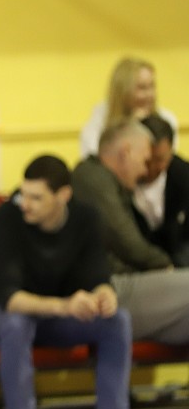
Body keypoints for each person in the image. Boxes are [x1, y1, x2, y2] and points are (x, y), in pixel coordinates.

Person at [0, 155, 160, 409]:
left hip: (52, 316)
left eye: (36, 197)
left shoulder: (86, 218)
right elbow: (11, 300)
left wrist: (105, 295)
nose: (25, 204)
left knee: (117, 321)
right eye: (23, 194)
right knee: (17, 325)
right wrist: (66, 306)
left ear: (63, 196)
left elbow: (98, 274)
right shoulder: (6, 218)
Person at [72, 120, 189, 345]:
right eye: (145, 161)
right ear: (125, 152)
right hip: (108, 289)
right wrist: (166, 266)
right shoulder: (92, 179)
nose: (146, 171)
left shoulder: (106, 182)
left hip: (120, 285)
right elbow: (126, 241)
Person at [78, 57, 179, 159]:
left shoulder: (167, 119)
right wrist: (130, 125)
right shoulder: (99, 120)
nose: (150, 95)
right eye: (142, 88)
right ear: (123, 91)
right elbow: (95, 159)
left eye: (152, 86)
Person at [132, 114, 189, 267]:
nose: (160, 166)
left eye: (164, 159)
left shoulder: (183, 175)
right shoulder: (123, 180)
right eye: (152, 160)